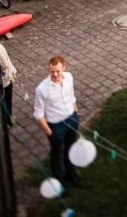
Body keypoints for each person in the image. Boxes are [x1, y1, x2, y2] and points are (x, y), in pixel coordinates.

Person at [33, 56, 81, 187]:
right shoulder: (42, 89)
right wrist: (49, 132)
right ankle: (60, 182)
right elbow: (38, 114)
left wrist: (76, 112)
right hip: (56, 126)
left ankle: (71, 174)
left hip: (71, 119)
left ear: (63, 68)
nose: (54, 74)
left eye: (57, 71)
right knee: (56, 154)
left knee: (70, 149)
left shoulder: (69, 77)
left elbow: (71, 95)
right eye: (51, 71)